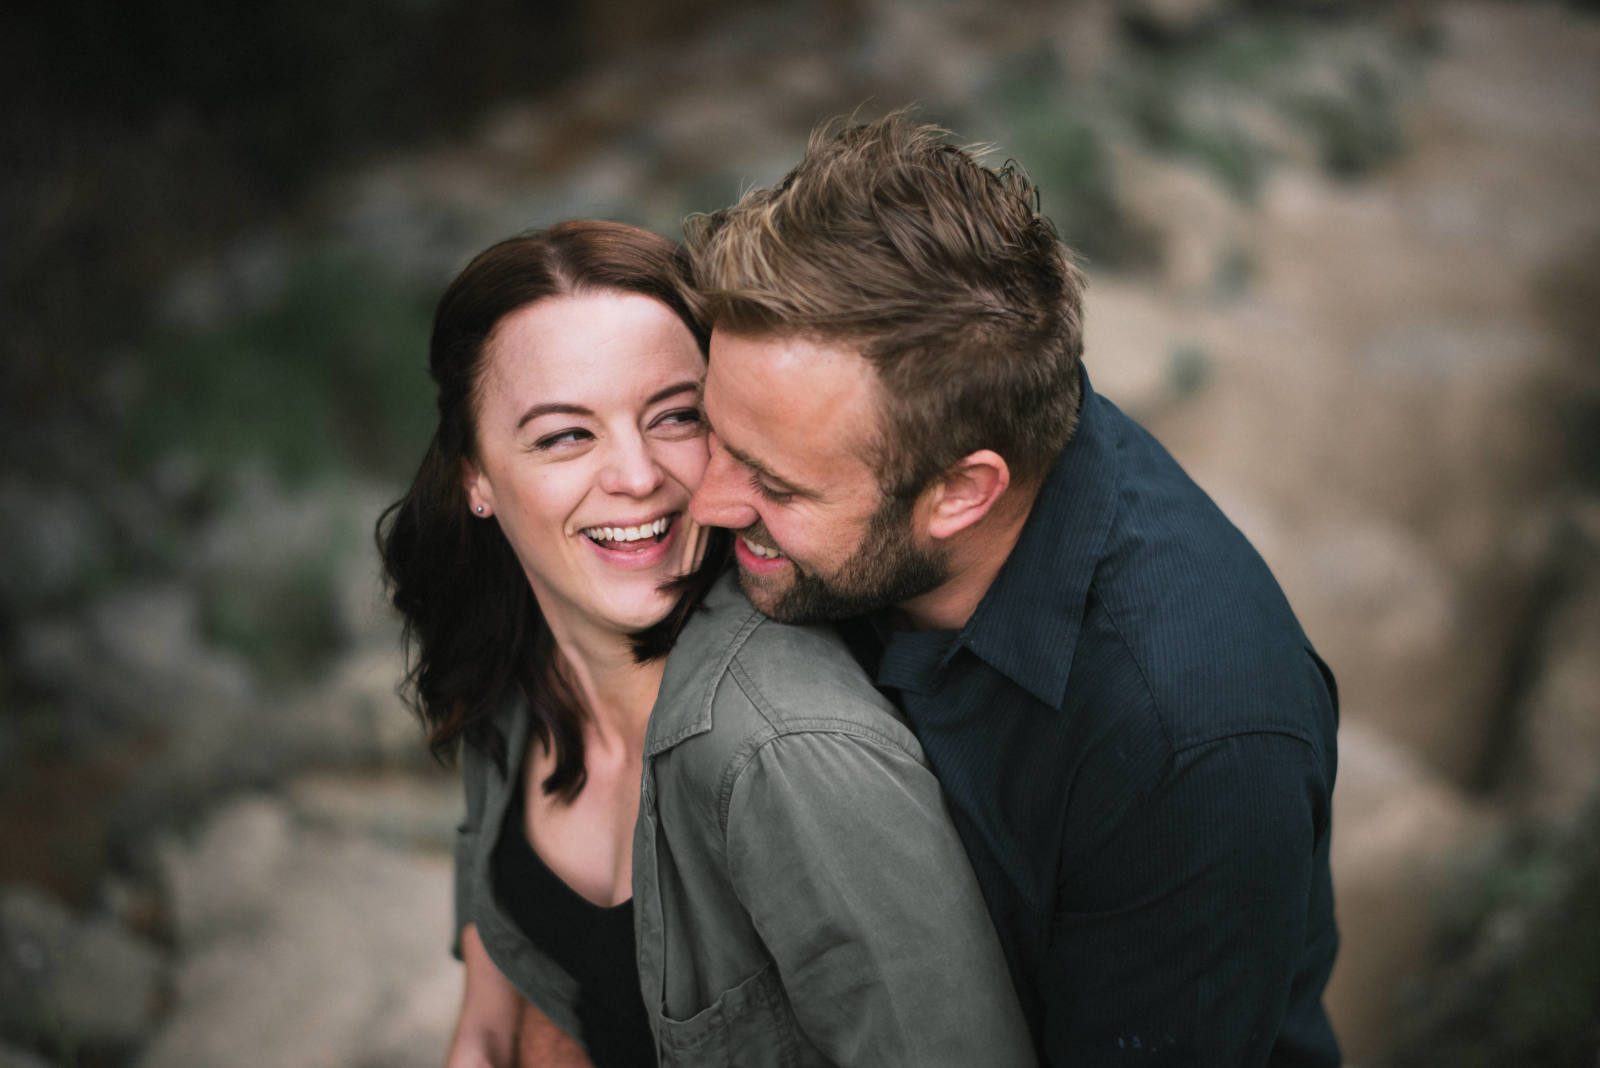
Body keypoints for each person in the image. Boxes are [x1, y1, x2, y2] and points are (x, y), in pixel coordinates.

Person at [683, 112, 1342, 1066]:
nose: (706, 501)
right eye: (710, 431)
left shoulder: (1193, 749)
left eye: (775, 485)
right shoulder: (915, 422)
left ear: (961, 492)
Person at [376, 219, 1034, 1068]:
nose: (637, 476)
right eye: (566, 434)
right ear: (475, 474)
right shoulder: (511, 646)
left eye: (676, 417)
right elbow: (490, 1016)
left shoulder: (787, 752)